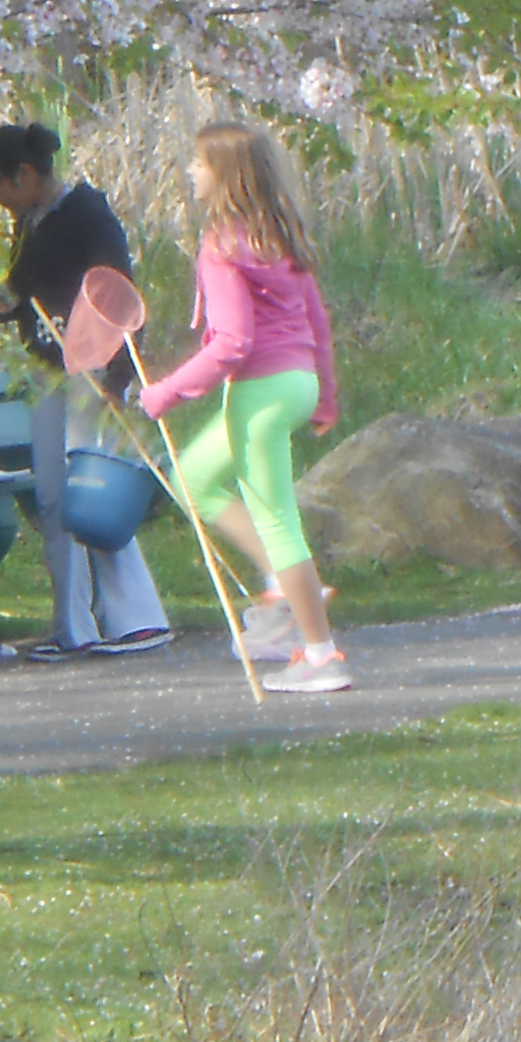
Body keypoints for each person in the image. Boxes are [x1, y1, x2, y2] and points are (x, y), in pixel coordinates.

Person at [139, 117, 353, 691]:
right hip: (297, 380)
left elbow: (234, 343)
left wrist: (166, 391)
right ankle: (283, 596)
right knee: (194, 480)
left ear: (226, 175)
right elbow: (317, 322)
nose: (190, 172)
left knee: (278, 521)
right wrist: (325, 394)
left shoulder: (221, 245)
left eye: (199, 164)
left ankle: (318, 653)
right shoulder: (280, 235)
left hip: (259, 390)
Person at [0, 119, 173, 659]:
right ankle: (73, 623)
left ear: (27, 173)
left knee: (94, 490)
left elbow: (116, 294)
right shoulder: (30, 222)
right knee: (54, 496)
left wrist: (116, 378)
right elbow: (31, 288)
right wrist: (6, 304)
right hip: (46, 368)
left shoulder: (87, 213)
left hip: (91, 368)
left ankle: (137, 617)